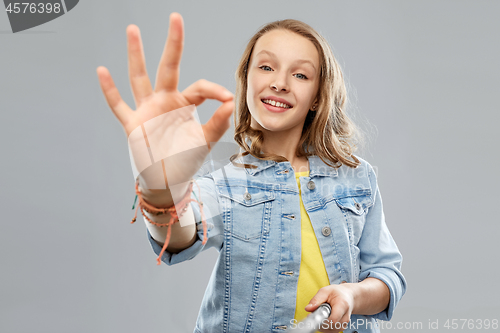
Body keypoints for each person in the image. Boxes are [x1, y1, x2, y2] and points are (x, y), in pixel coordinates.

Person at [96, 12, 406, 333]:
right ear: (247, 80)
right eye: (267, 67)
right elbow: (177, 237)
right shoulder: (225, 183)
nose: (280, 83)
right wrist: (160, 189)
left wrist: (352, 295)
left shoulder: (356, 176)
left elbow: (387, 276)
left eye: (300, 75)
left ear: (317, 97)